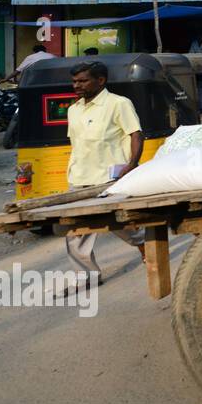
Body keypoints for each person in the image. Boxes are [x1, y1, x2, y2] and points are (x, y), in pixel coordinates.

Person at [62, 61, 145, 282]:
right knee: (77, 230)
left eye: (82, 81)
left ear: (101, 80)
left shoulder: (118, 104)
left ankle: (147, 249)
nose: (77, 86)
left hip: (109, 178)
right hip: (79, 178)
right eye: (74, 81)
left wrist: (131, 165)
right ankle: (86, 277)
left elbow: (135, 134)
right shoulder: (73, 109)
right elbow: (77, 144)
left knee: (124, 224)